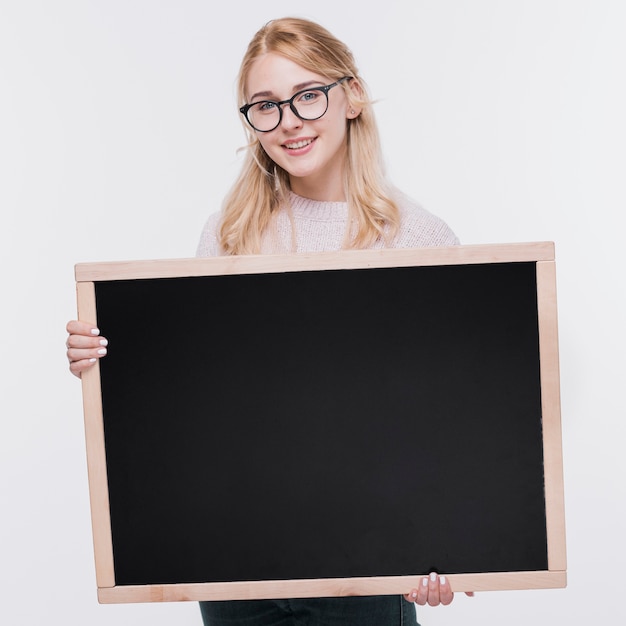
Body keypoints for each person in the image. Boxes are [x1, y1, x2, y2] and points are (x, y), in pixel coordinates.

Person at [66, 16, 473, 626]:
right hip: (239, 568)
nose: (288, 120)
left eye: (308, 95)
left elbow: (448, 416)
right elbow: (199, 400)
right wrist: (105, 362)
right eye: (265, 105)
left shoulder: (417, 239)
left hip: (365, 567)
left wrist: (450, 547)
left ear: (352, 95)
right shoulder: (231, 234)